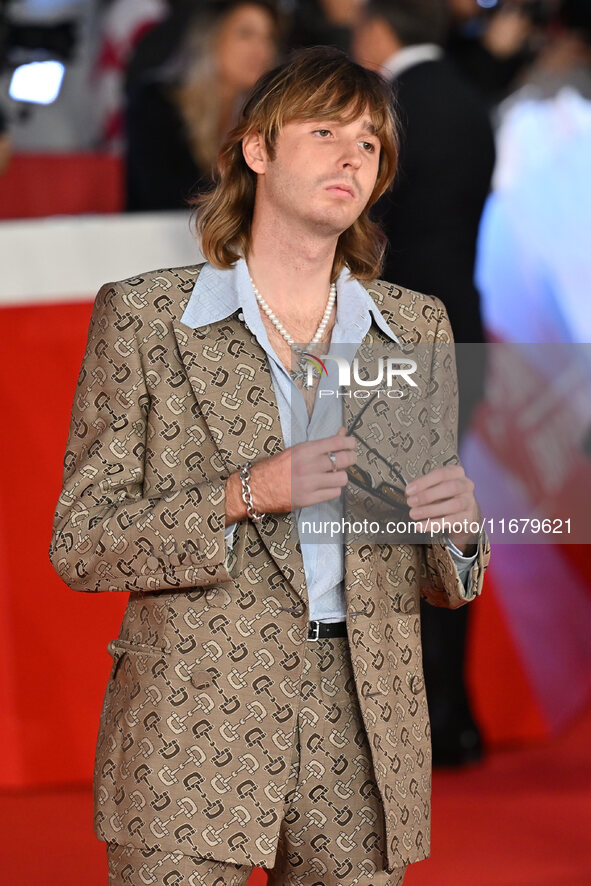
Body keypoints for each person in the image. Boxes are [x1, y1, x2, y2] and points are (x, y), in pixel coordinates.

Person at [50, 46, 490, 886]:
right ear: (255, 149)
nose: (351, 157)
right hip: (193, 714)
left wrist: (460, 532)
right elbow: (82, 541)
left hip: (366, 724)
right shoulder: (148, 318)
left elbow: (446, 578)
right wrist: (247, 493)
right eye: (325, 131)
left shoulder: (414, 324)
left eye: (369, 144)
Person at [353, 0, 495, 768]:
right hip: (463, 327)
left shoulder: (391, 107)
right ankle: (453, 715)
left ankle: (422, 721)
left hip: (400, 342)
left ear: (378, 34)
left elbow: (368, 221)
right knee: (442, 519)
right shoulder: (470, 98)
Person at [125, 0, 278, 211]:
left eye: (268, 38)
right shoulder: (157, 101)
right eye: (246, 34)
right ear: (210, 37)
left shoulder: (265, 118)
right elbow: (163, 196)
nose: (262, 49)